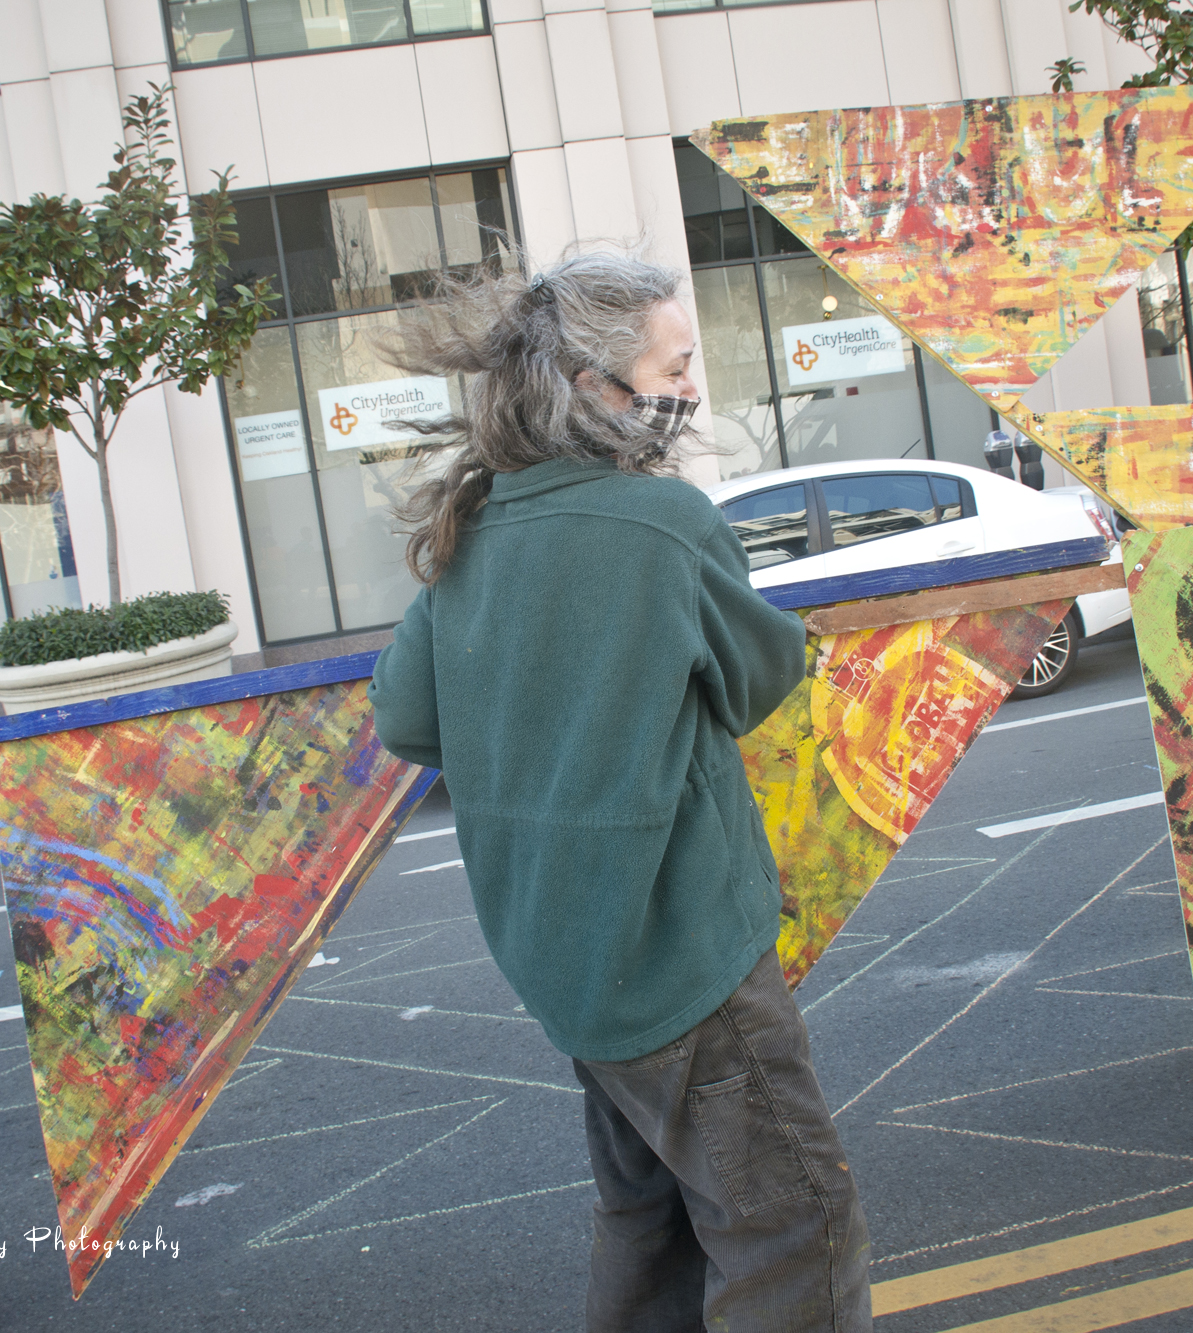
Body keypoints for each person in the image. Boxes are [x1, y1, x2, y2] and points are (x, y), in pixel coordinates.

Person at [367, 251, 871, 1332]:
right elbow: (756, 678)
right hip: (679, 951)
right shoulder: (662, 522)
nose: (691, 385)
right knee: (791, 1220)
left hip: (558, 957)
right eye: (676, 362)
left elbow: (408, 719)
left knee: (646, 1216)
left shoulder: (470, 530)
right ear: (596, 386)